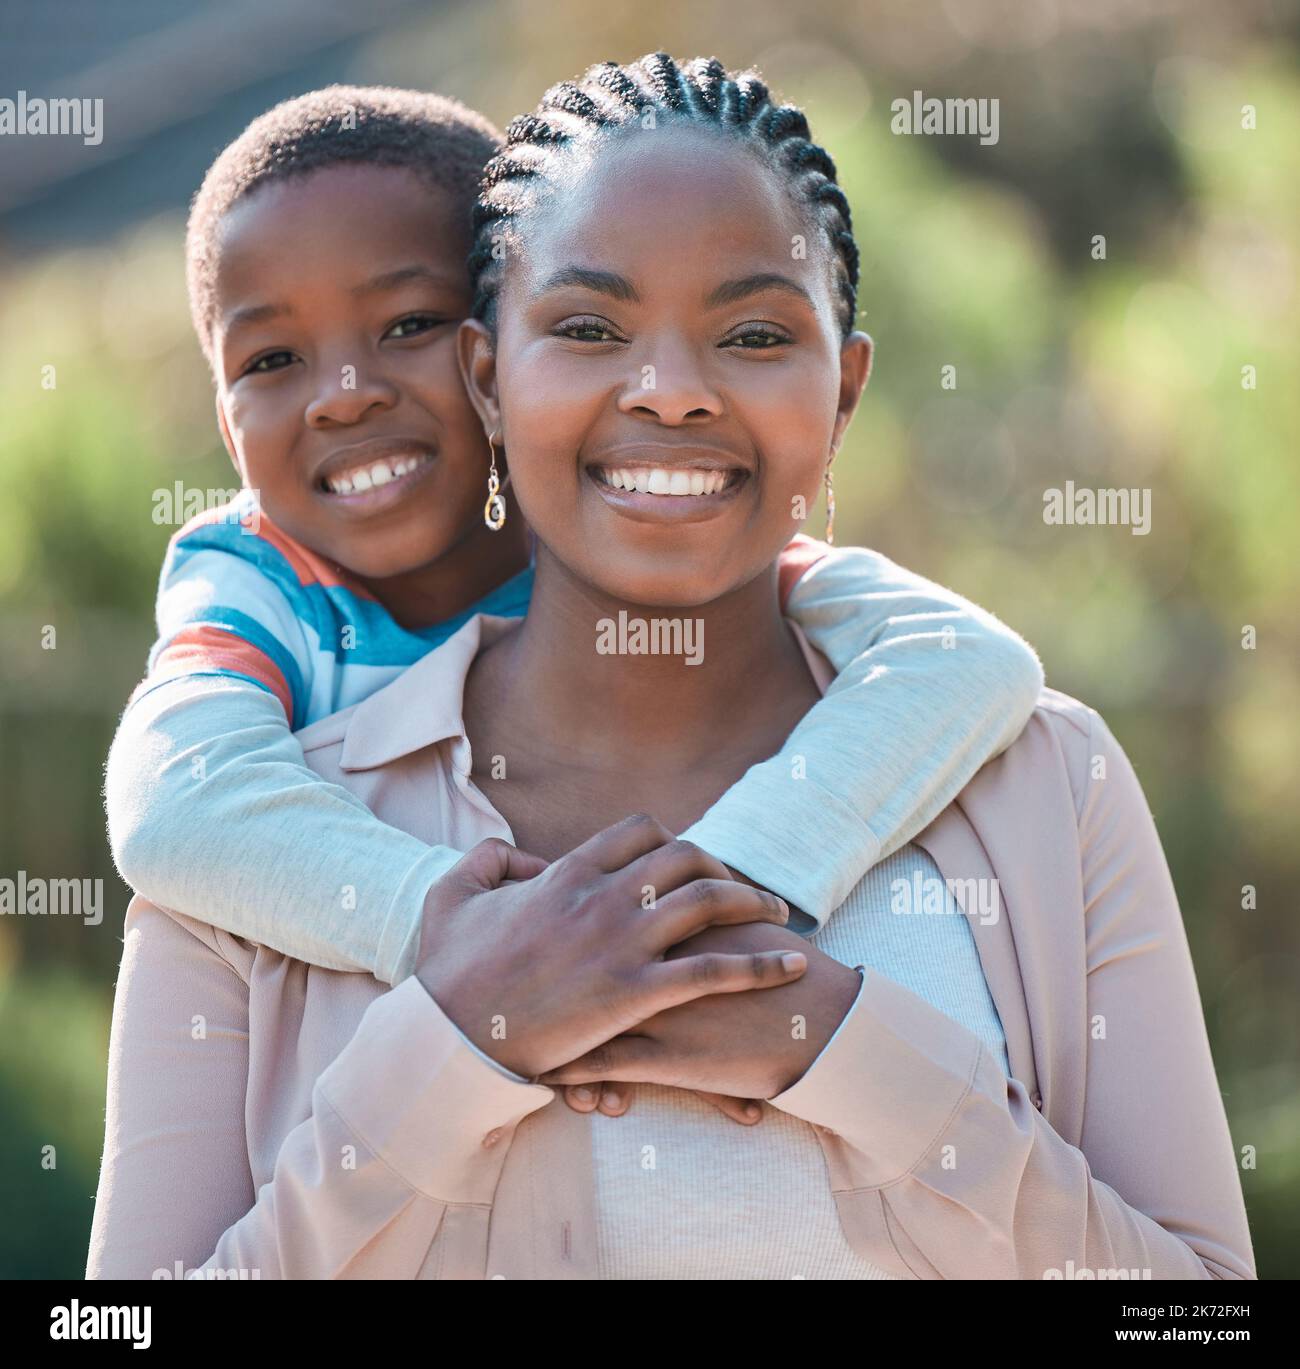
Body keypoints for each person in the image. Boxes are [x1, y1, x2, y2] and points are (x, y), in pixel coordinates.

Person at [88, 54, 1253, 1280]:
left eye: (753, 333)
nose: (673, 393)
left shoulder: (1045, 788)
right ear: (489, 380)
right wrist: (456, 1046)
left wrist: (844, 1050)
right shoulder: (262, 855)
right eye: (588, 328)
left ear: (842, 391)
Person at [103, 84, 1044, 1127]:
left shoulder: (637, 527)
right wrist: (449, 928)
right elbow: (174, 800)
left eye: (407, 323)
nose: (344, 393)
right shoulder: (258, 577)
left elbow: (965, 657)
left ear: (495, 356)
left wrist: (726, 884)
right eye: (272, 359)